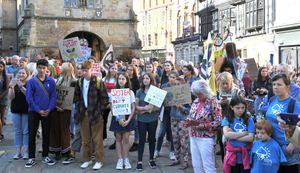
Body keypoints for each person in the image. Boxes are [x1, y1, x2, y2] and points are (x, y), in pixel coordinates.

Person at [73, 60, 109, 170]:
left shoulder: (98, 81)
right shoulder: (79, 82)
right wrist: (80, 110)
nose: (84, 72)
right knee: (85, 139)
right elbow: (77, 98)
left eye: (86, 70)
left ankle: (99, 160)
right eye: (82, 70)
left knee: (97, 139)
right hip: (83, 114)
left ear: (90, 69)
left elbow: (104, 98)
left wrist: (99, 111)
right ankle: (87, 159)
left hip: (95, 114)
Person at [265, 73, 300, 172]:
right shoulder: (272, 100)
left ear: (288, 87)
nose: (275, 87)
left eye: (279, 85)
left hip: (287, 149)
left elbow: (299, 128)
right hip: (272, 146)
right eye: (274, 84)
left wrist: (290, 148)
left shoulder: (294, 104)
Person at [25, 59, 57, 168]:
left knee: (46, 134)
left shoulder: (51, 81)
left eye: (44, 68)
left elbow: (53, 96)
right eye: (40, 68)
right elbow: (29, 98)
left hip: (47, 111)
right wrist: (38, 110)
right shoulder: (31, 81)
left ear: (47, 68)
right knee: (32, 135)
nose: (42, 70)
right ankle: (31, 157)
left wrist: (49, 109)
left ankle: (45, 155)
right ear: (37, 68)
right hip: (34, 111)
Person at [185, 80, 222, 173]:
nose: (198, 96)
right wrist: (188, 121)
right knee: (196, 165)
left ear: (205, 91)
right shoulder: (196, 101)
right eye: (196, 94)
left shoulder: (213, 102)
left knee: (208, 165)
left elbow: (218, 122)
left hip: (206, 138)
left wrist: (202, 125)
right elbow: (191, 115)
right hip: (193, 136)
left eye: (199, 94)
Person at [49, 62, 76, 160]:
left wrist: (64, 106)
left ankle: (66, 150)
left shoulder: (74, 81)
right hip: (56, 109)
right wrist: (56, 105)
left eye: (62, 68)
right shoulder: (58, 80)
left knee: (65, 129)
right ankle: (57, 150)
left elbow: (74, 97)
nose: (60, 69)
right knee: (56, 128)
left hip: (67, 110)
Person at [109, 73, 136, 170]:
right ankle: (120, 159)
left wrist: (128, 120)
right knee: (118, 139)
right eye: (119, 78)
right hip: (117, 117)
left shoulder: (130, 92)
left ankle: (126, 159)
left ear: (126, 80)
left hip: (127, 118)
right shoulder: (114, 92)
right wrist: (118, 118)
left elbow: (133, 107)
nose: (121, 80)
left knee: (126, 139)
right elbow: (112, 107)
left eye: (123, 79)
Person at [222, 95, 255, 173]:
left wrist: (233, 135)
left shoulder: (249, 119)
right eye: (237, 108)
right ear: (231, 107)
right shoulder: (227, 118)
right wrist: (244, 133)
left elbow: (250, 138)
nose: (240, 110)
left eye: (243, 107)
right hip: (232, 156)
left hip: (246, 156)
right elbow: (226, 135)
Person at [135, 73, 160, 171]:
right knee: (141, 140)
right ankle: (139, 161)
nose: (145, 80)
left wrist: (151, 109)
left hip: (153, 119)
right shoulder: (139, 91)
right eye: (144, 78)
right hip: (141, 120)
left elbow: (158, 107)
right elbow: (135, 107)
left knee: (152, 139)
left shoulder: (155, 91)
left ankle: (151, 159)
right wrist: (145, 108)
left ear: (151, 80)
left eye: (147, 78)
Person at [168, 72, 191, 170]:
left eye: (179, 84)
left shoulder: (186, 94)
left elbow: (189, 110)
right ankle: (176, 158)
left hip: (182, 119)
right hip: (173, 118)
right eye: (175, 84)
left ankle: (185, 161)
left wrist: (181, 107)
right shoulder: (171, 93)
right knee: (175, 140)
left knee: (183, 141)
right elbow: (167, 104)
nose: (177, 86)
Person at [8, 68, 30, 159]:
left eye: (23, 73)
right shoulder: (13, 83)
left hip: (26, 110)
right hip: (15, 110)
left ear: (27, 75)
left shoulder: (29, 83)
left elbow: (28, 96)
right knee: (17, 131)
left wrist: (21, 87)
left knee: (26, 131)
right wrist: (11, 87)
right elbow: (11, 97)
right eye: (20, 73)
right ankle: (18, 152)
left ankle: (26, 152)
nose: (21, 74)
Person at [102, 64, 118, 149]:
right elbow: (102, 92)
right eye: (112, 68)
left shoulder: (118, 79)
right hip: (106, 103)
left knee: (117, 120)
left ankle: (117, 140)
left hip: (116, 103)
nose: (114, 70)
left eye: (115, 68)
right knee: (103, 121)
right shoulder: (104, 79)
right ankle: (104, 138)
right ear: (109, 69)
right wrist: (106, 103)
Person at [126, 65, 140, 152]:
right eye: (128, 69)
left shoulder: (136, 81)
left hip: (132, 103)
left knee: (135, 124)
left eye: (131, 70)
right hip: (124, 104)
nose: (129, 71)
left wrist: (134, 106)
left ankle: (136, 141)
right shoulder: (124, 79)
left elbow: (136, 93)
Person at [0, 61, 9, 141]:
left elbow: (6, 89)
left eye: (1, 66)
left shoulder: (5, 77)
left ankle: (1, 132)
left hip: (3, 99)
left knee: (2, 116)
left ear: (3, 67)